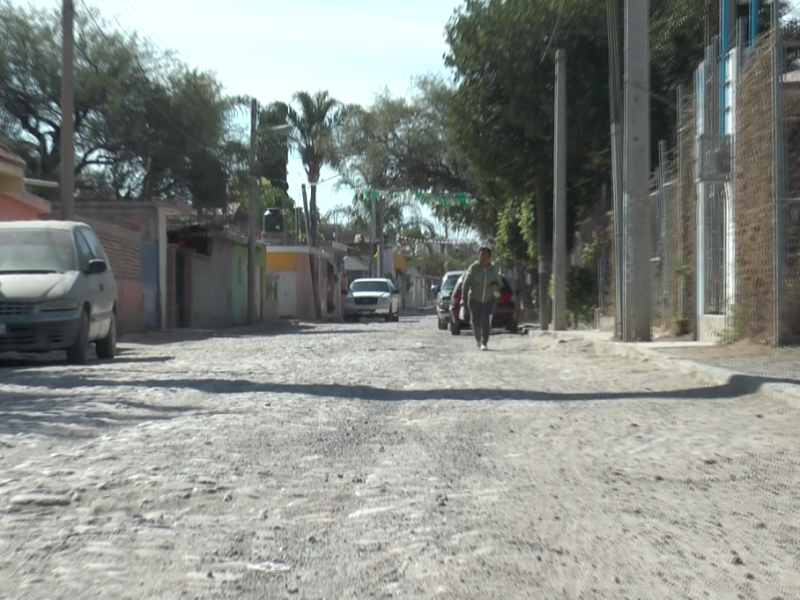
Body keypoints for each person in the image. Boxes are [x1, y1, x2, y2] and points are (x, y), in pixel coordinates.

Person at [461, 245, 503, 351]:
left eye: (484, 254)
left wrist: (497, 298)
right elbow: (466, 285)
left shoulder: (492, 269)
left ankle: (484, 342)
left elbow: (497, 284)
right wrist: (463, 299)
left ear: (489, 256)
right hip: (475, 299)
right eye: (480, 254)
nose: (482, 256)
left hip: (489, 300)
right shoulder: (473, 268)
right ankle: (478, 339)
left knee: (486, 320)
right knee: (476, 321)